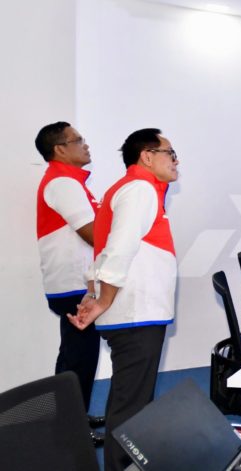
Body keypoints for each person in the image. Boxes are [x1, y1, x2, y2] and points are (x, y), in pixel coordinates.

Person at [68, 128, 179, 471]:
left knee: (128, 399)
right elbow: (118, 250)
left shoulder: (130, 189)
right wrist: (102, 300)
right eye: (170, 153)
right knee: (132, 406)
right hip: (136, 314)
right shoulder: (140, 189)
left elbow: (103, 250)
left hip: (135, 313)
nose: (176, 161)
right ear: (147, 156)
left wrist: (93, 293)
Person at [34, 121, 105, 445]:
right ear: (60, 149)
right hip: (73, 284)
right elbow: (92, 233)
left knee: (75, 354)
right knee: (79, 356)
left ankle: (71, 416)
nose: (85, 144)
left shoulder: (67, 180)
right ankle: (70, 427)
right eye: (78, 140)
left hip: (74, 281)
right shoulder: (63, 182)